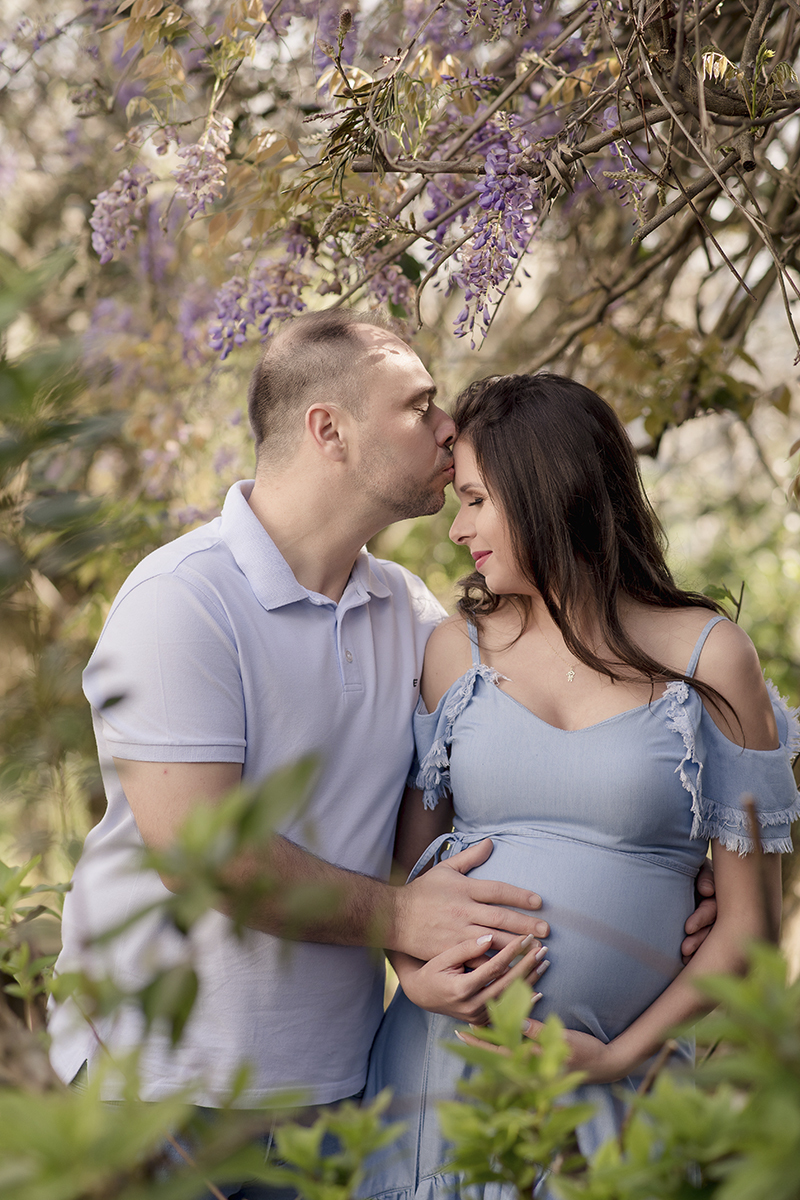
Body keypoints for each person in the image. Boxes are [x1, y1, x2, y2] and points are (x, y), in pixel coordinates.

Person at [48, 312, 555, 1117]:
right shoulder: (182, 600)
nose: (447, 425)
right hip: (155, 1091)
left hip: (336, 1093)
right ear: (331, 430)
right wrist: (403, 918)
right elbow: (203, 853)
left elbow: (508, 758)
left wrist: (651, 865)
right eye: (418, 406)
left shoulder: (406, 610)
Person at [361, 372, 799, 1200]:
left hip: (619, 1095)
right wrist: (411, 974)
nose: (457, 530)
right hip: (439, 1079)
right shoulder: (453, 655)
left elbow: (751, 927)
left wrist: (617, 1057)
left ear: (546, 490)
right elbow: (404, 880)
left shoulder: (711, 660)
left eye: (477, 500)